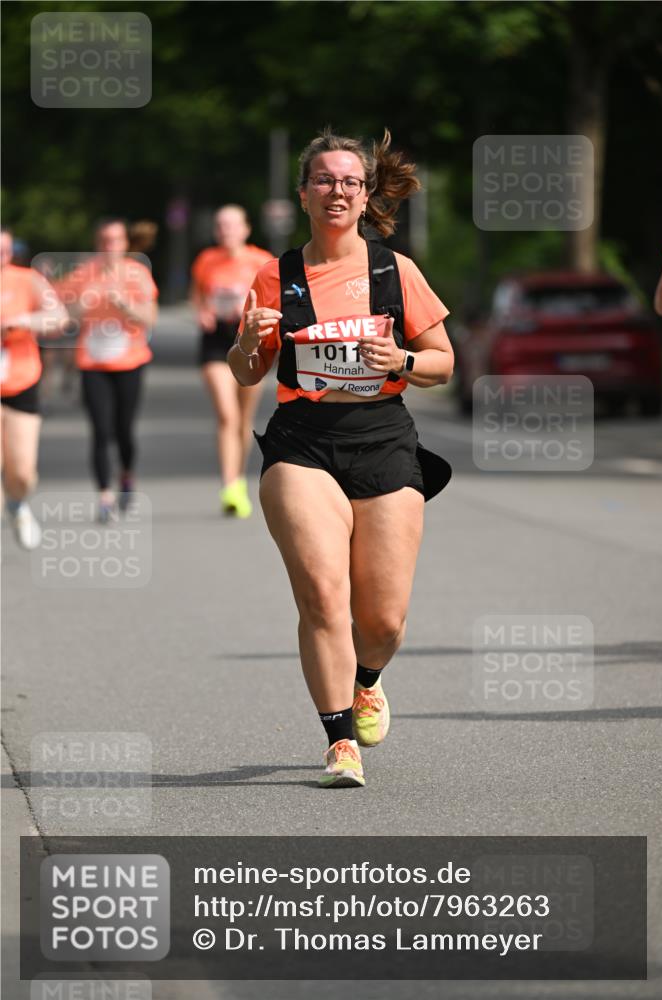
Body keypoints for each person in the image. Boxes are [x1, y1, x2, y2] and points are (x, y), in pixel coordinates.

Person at [229, 129, 454, 788]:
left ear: (365, 195)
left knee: (382, 620)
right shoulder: (277, 274)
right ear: (304, 194)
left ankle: (366, 680)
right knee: (324, 596)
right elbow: (247, 374)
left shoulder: (394, 271)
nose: (336, 191)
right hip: (301, 443)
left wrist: (404, 361)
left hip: (383, 439)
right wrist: (247, 341)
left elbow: (442, 362)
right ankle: (337, 741)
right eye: (323, 180)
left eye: (349, 182)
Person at [57, 219, 158, 522]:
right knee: (100, 430)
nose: (109, 247)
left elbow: (149, 319)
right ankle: (104, 496)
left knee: (123, 429)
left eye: (115, 241)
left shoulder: (137, 274)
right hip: (92, 362)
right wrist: (82, 304)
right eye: (104, 241)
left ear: (125, 244)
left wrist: (124, 304)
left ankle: (126, 476)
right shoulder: (82, 273)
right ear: (97, 243)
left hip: (130, 361)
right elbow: (65, 317)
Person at [190, 205, 272, 517]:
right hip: (215, 340)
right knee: (227, 414)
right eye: (220, 226)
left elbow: (273, 301)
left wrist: (251, 312)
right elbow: (196, 295)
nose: (225, 231)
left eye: (231, 225)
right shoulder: (206, 260)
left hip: (250, 340)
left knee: (243, 417)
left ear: (246, 229)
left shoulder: (261, 260)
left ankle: (238, 481)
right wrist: (202, 310)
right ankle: (229, 484)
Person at [1, 229, 68, 547]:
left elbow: (59, 317)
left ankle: (17, 504)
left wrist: (26, 321)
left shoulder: (28, 280)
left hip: (21, 381)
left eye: (4, 250)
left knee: (22, 472)